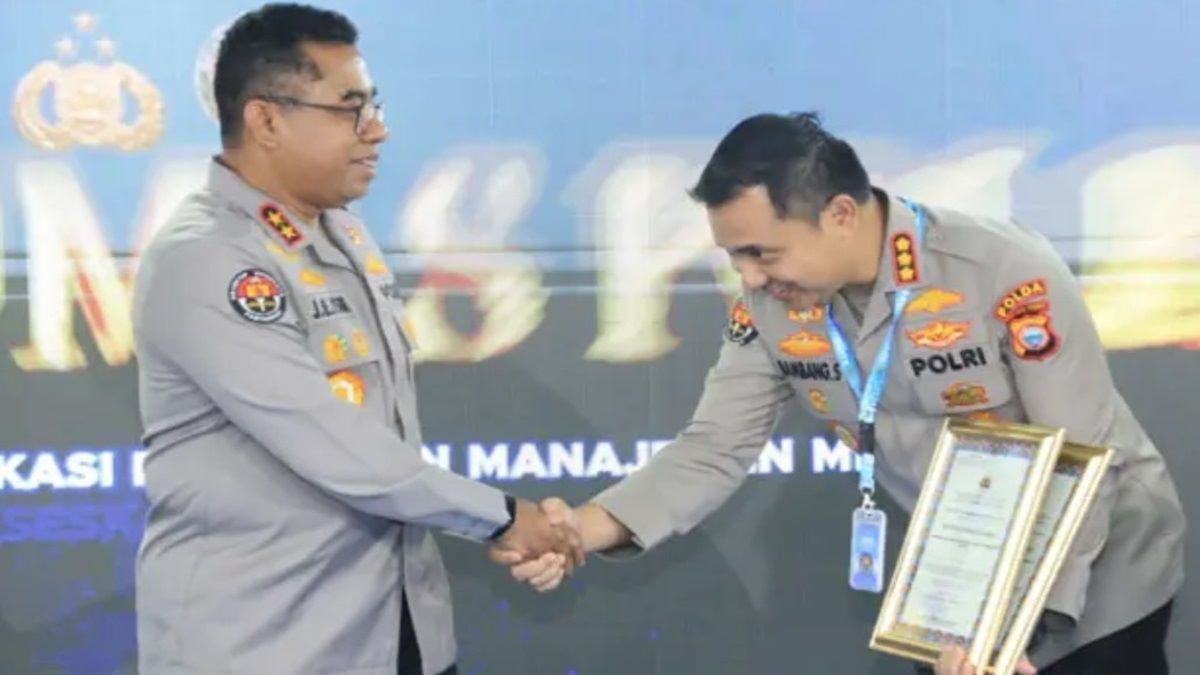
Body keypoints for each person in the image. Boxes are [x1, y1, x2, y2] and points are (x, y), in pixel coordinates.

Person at [494, 112, 1185, 674]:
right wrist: (579, 529)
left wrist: (1016, 632)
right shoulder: (768, 306)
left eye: (762, 252)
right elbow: (712, 447)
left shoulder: (1000, 268)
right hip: (956, 582)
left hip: (1098, 574)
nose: (749, 277)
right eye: (733, 256)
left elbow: (1079, 456)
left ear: (842, 214)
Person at [132, 4, 579, 674]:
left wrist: (505, 522)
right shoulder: (207, 257)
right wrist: (507, 517)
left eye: (374, 105)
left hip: (396, 631)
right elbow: (337, 447)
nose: (378, 129)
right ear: (266, 120)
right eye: (351, 109)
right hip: (265, 647)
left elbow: (386, 439)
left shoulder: (342, 233)